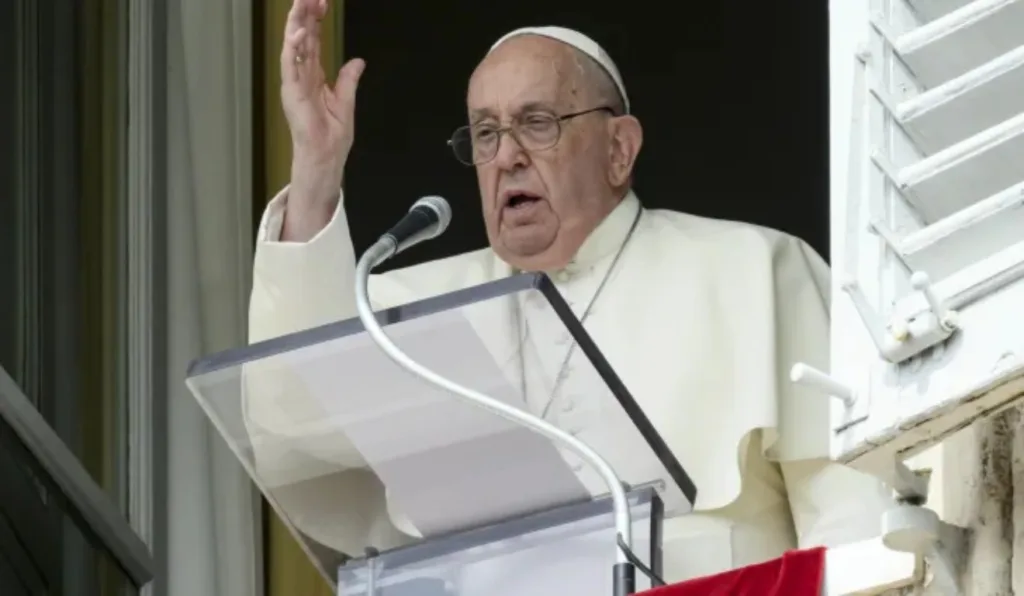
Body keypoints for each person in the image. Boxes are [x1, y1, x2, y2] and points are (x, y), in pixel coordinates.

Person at [245, 0, 894, 585]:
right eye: (487, 133)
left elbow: (853, 511)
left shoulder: (755, 268)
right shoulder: (408, 309)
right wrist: (316, 171)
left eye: (537, 122)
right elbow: (292, 417)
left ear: (619, 149)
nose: (507, 157)